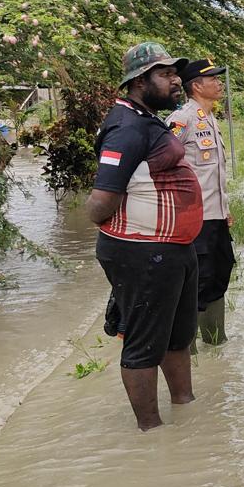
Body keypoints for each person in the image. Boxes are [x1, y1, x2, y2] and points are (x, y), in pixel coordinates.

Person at [87, 42, 204, 430]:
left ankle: (185, 408)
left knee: (176, 337)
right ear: (139, 82)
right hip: (143, 252)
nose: (176, 81)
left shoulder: (147, 118)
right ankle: (151, 432)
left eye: (175, 74)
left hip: (172, 250)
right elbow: (102, 202)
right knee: (143, 344)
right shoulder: (126, 126)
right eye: (166, 75)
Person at [167, 58, 236, 347]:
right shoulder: (182, 120)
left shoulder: (211, 119)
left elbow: (213, 173)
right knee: (196, 283)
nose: (219, 83)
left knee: (220, 272)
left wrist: (226, 208)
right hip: (195, 220)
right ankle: (187, 352)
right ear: (196, 85)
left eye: (219, 78)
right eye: (213, 79)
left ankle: (216, 342)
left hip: (216, 216)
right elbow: (161, 163)